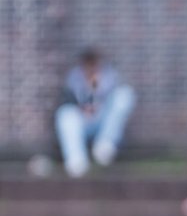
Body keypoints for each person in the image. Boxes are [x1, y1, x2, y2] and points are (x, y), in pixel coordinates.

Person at [54, 48, 136, 178]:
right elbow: (68, 100)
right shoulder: (74, 77)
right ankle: (76, 163)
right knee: (65, 114)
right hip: (83, 121)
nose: (91, 67)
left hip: (103, 121)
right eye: (88, 63)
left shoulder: (109, 76)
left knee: (125, 95)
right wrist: (83, 107)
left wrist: (96, 86)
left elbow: (112, 102)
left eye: (94, 63)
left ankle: (105, 145)